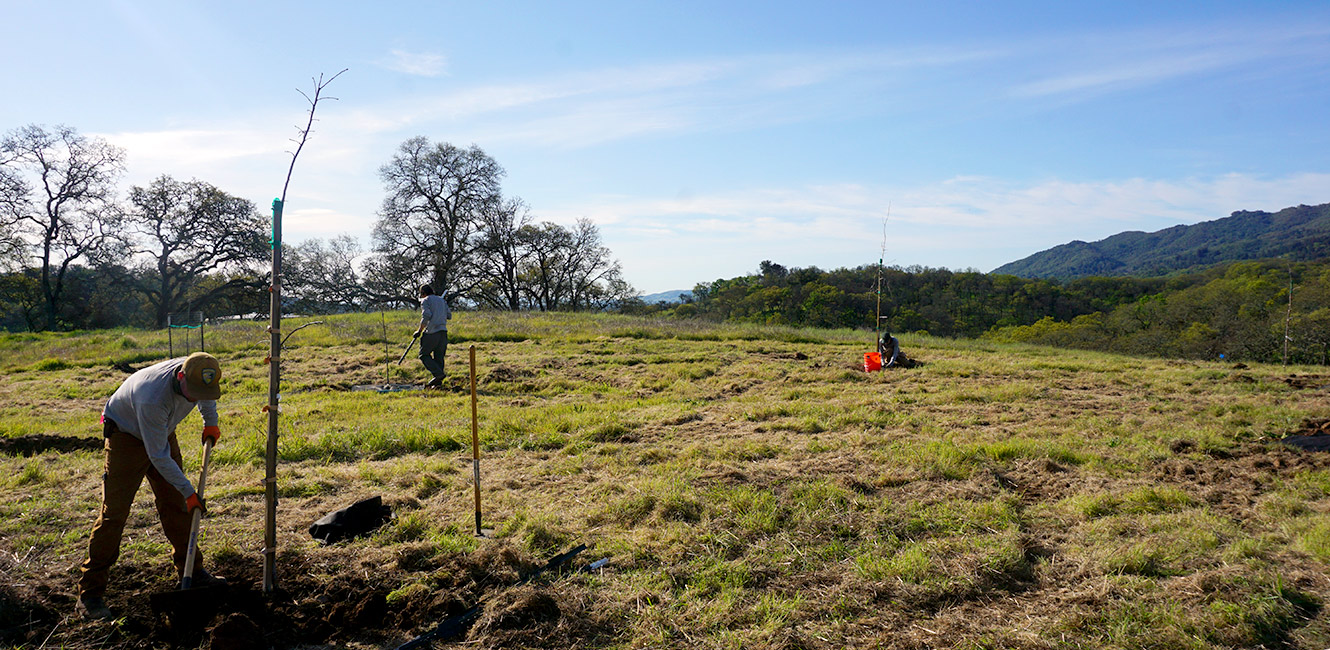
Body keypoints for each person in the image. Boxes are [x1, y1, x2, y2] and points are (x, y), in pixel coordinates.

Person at [77, 352, 227, 620]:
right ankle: (90, 593)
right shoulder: (152, 398)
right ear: (181, 377)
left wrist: (211, 423)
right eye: (191, 392)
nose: (194, 397)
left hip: (162, 431)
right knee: (114, 515)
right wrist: (189, 491)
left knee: (177, 507)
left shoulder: (199, 369)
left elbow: (205, 395)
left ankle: (192, 570)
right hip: (126, 436)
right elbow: (158, 456)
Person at [413, 285, 452, 388]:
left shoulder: (425, 300)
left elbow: (426, 315)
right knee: (439, 357)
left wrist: (419, 330)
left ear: (423, 293)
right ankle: (438, 384)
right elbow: (449, 315)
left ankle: (438, 375)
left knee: (424, 355)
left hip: (431, 332)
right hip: (443, 333)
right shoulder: (442, 301)